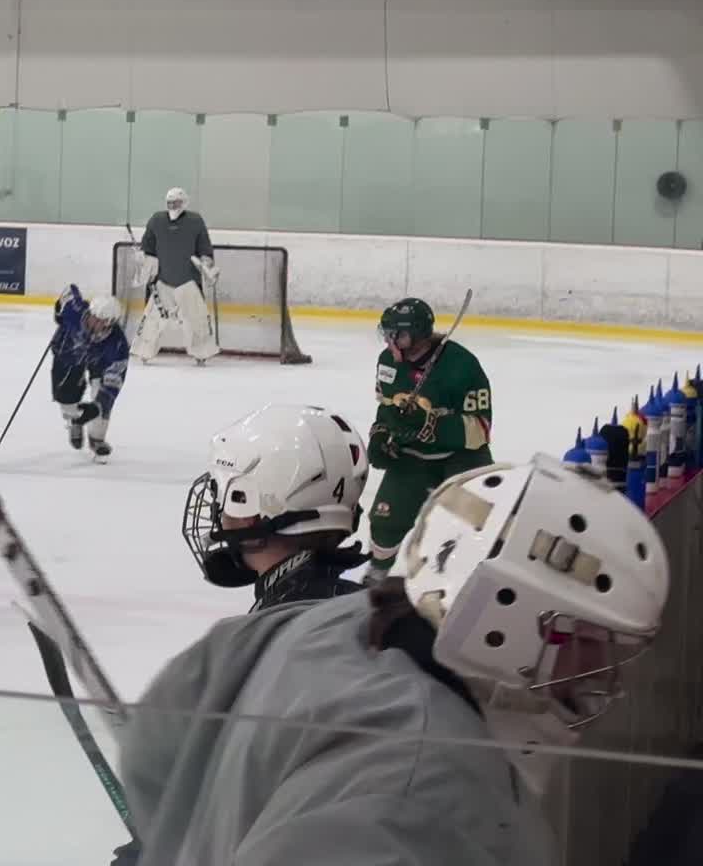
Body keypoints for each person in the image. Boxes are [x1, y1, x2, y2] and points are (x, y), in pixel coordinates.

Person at [118, 456, 666, 864]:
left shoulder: (309, 625)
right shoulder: (426, 796)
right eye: (592, 643)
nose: (605, 673)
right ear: (506, 621)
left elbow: (157, 744)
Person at [181, 404, 371, 611]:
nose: (218, 508)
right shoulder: (369, 607)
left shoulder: (273, 623)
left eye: (219, 492)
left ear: (248, 514)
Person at [366, 295, 493, 584]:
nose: (389, 341)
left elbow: (481, 429)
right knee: (386, 520)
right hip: (412, 455)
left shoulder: (462, 365)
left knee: (473, 525)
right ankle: (377, 574)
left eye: (397, 335)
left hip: (462, 458)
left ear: (419, 335)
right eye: (387, 333)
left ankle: (467, 583)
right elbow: (387, 408)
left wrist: (431, 425)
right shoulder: (387, 361)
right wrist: (381, 434)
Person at [133, 186, 218, 364]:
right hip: (163, 281)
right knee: (152, 318)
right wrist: (142, 256)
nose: (173, 206)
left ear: (184, 203)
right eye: (170, 203)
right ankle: (143, 351)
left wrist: (207, 262)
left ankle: (201, 353)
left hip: (189, 282)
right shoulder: (156, 220)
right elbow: (148, 246)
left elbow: (205, 248)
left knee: (197, 320)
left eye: (176, 202)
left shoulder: (195, 221)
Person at [51, 286, 130, 462]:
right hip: (70, 355)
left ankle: (97, 439)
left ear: (110, 323)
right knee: (66, 402)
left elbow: (114, 380)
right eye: (93, 317)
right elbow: (70, 291)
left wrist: (98, 405)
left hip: (98, 362)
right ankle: (74, 420)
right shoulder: (75, 311)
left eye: (101, 321)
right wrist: (58, 310)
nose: (94, 323)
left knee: (101, 403)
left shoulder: (117, 344)